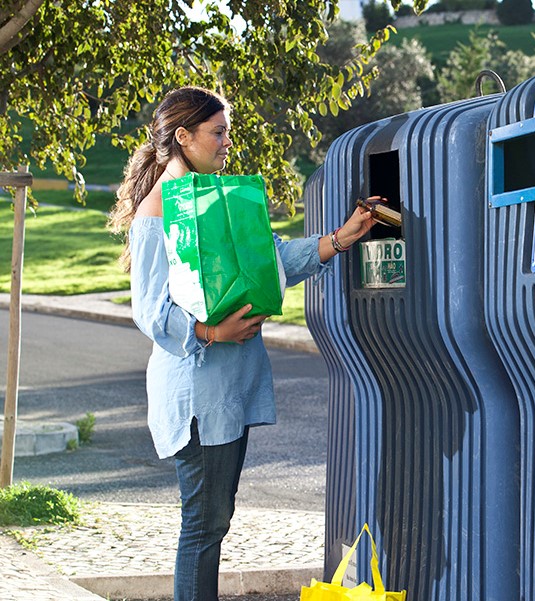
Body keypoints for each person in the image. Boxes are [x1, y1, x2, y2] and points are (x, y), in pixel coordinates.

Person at [108, 85, 376, 601]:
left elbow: (269, 258)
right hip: (198, 396)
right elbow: (149, 309)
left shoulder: (217, 195)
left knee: (213, 522)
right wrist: (212, 332)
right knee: (204, 528)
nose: (228, 140)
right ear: (183, 136)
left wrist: (341, 237)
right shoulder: (158, 210)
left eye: (227, 129)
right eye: (218, 131)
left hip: (225, 390)